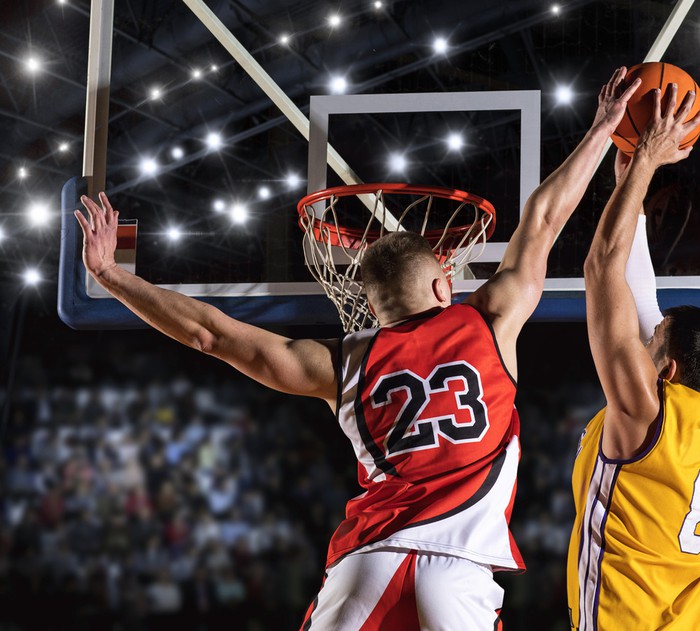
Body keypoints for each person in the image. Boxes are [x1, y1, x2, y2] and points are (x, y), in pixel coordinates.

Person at [75, 67, 640, 631]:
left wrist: (112, 276)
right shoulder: (490, 320)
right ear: (444, 284)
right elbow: (543, 218)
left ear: (369, 305)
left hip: (371, 559)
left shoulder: (341, 361)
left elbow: (211, 333)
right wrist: (603, 128)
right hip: (461, 568)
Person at [567, 83, 700, 629]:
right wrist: (631, 187)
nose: (644, 334)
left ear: (666, 369)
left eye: (652, 339)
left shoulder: (644, 409)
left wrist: (647, 156)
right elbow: (641, 295)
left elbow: (602, 268)